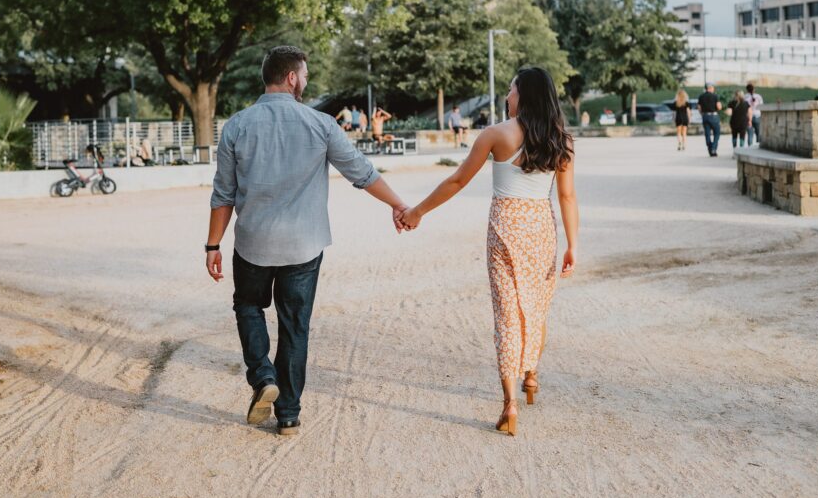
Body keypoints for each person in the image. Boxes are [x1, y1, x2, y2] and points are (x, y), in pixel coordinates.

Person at [206, 46, 411, 437]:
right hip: (303, 245)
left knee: (248, 306)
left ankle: (263, 375)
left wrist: (212, 245)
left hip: (253, 244)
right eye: (305, 74)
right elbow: (362, 173)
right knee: (295, 325)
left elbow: (224, 195)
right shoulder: (321, 125)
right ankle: (288, 416)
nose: (307, 80)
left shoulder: (236, 125)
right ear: (292, 78)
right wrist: (399, 204)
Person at [399, 67, 578, 437]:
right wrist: (573, 244)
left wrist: (417, 211)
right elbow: (566, 195)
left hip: (505, 230)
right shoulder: (562, 139)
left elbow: (457, 180)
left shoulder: (496, 134)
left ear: (523, 95)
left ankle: (509, 403)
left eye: (511, 91)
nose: (507, 97)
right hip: (542, 230)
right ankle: (531, 375)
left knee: (507, 314)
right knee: (537, 307)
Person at [696, 82, 722, 157]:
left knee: (707, 134)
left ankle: (710, 148)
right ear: (710, 88)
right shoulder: (715, 96)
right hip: (714, 116)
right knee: (716, 133)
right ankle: (714, 148)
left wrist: (702, 114)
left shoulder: (701, 96)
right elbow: (719, 107)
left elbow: (699, 107)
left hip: (705, 116)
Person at [728, 90, 751, 156]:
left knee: (734, 136)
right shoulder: (746, 103)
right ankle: (741, 152)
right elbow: (749, 112)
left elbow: (729, 112)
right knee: (742, 137)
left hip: (734, 122)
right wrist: (750, 121)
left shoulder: (732, 103)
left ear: (735, 95)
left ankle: (735, 152)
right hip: (743, 122)